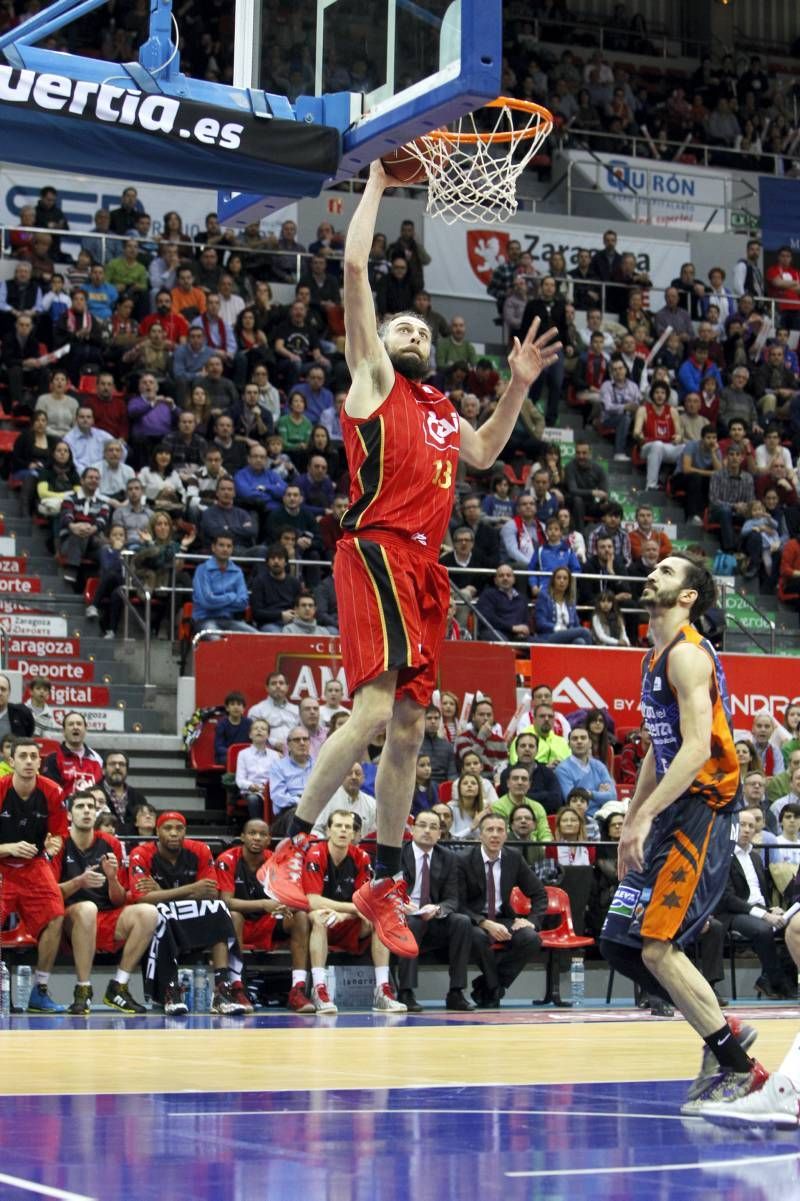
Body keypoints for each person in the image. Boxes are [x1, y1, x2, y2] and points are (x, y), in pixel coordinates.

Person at [263, 158, 560, 956]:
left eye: (423, 331)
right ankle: (289, 847)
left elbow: (491, 452)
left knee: (408, 728)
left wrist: (518, 382)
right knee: (370, 708)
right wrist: (374, 188)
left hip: (425, 571)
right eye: (405, 329)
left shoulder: (439, 411)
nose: (415, 334)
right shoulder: (373, 379)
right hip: (377, 550)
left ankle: (384, 878)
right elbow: (356, 267)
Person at [598, 553, 764, 1118]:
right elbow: (657, 747)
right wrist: (633, 816)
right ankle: (727, 1029)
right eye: (654, 568)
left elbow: (695, 750)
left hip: (702, 809)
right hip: (671, 808)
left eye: (667, 572)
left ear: (688, 595)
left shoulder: (689, 655)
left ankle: (742, 1070)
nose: (652, 574)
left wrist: (646, 817)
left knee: (656, 945)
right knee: (618, 941)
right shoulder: (653, 658)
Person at [129, 811, 251, 1014]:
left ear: (185, 831)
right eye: (168, 828)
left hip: (189, 917)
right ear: (157, 831)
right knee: (159, 913)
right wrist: (192, 889)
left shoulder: (200, 850)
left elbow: (210, 894)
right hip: (160, 919)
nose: (174, 833)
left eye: (179, 828)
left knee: (219, 909)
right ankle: (170, 989)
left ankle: (222, 989)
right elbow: (142, 898)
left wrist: (161, 892)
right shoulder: (141, 854)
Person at [54, 790, 157, 1015]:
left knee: (149, 913)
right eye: (80, 807)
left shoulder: (110, 843)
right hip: (69, 919)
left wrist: (112, 878)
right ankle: (83, 990)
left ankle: (118, 987)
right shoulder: (59, 843)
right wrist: (79, 882)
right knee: (88, 908)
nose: (87, 811)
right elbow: (50, 894)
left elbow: (119, 898)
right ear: (69, 815)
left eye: (91, 807)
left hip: (105, 916)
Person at [300, 811, 407, 1013]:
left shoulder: (362, 857)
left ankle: (383, 991)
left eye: (348, 827)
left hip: (349, 922)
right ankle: (319, 989)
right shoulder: (315, 854)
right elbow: (313, 900)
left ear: (354, 834)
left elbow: (366, 903)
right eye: (338, 826)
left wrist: (346, 915)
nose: (343, 830)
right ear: (328, 830)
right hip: (323, 920)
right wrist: (351, 910)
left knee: (379, 920)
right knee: (319, 917)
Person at [0, 739, 68, 1013]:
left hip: (34, 866)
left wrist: (54, 846)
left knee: (55, 915)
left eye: (33, 756)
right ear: (11, 761)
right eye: (23, 756)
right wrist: (7, 848)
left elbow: (59, 836)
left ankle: (39, 991)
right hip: (2, 864)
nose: (29, 761)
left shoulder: (52, 791)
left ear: (40, 762)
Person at [215, 818, 310, 1010]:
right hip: (239, 924)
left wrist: (287, 905)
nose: (257, 838)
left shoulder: (276, 861)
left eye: (263, 834)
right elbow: (225, 901)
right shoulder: (227, 860)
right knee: (234, 915)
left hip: (269, 922)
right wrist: (263, 904)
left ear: (269, 840)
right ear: (242, 836)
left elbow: (296, 896)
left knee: (300, 917)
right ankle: (236, 986)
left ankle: (297, 989)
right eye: (252, 833)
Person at [457, 812, 547, 1007]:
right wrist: (484, 922)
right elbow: (456, 902)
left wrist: (531, 920)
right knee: (478, 937)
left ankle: (488, 986)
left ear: (506, 835)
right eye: (490, 830)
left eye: (500, 830)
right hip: (473, 920)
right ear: (480, 835)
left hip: (503, 918)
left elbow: (539, 893)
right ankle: (493, 989)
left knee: (531, 938)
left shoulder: (513, 857)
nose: (495, 835)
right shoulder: (463, 859)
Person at [396, 809, 474, 1011]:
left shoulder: (448, 857)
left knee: (462, 922)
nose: (427, 831)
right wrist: (400, 905)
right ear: (412, 830)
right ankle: (405, 992)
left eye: (433, 827)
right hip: (403, 917)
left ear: (440, 834)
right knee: (412, 923)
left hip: (433, 918)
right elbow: (384, 889)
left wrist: (438, 908)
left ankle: (456, 992)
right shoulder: (398, 853)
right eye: (422, 825)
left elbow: (452, 898)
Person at [715, 808, 793, 1000]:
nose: (747, 829)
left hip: (760, 910)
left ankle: (777, 979)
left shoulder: (756, 857)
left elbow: (760, 893)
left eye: (752, 826)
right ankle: (776, 981)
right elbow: (728, 899)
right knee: (763, 929)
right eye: (743, 825)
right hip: (733, 913)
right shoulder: (722, 856)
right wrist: (764, 914)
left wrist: (770, 908)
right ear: (733, 827)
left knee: (793, 928)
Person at [191, 534, 256, 635]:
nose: (225, 549)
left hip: (229, 620)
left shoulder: (237, 572)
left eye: (229, 546)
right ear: (213, 547)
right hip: (204, 620)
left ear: (232, 549)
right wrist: (231, 596)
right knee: (217, 642)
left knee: (256, 636)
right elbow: (206, 602)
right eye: (221, 545)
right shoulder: (202, 570)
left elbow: (243, 603)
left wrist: (216, 600)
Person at [555, 726, 618, 814]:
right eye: (575, 739)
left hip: (604, 815)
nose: (579, 741)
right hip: (580, 818)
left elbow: (613, 796)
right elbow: (573, 802)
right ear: (569, 744)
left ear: (590, 743)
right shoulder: (562, 769)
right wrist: (600, 795)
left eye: (583, 738)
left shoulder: (599, 766)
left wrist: (591, 794)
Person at [42, 712, 104, 793]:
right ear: (63, 731)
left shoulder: (96, 758)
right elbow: (51, 793)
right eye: (71, 724)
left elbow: (101, 790)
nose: (75, 727)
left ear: (85, 729)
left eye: (79, 724)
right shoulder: (53, 759)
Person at [247, 672, 300, 752]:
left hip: (295, 752)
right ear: (267, 688)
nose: (278, 686)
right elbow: (254, 735)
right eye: (273, 683)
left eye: (281, 683)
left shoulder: (297, 710)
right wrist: (274, 743)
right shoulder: (257, 710)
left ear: (287, 687)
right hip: (267, 752)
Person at [99, 750, 149, 830]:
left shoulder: (138, 797)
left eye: (122, 764)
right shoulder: (93, 795)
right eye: (112, 764)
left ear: (127, 770)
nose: (117, 767)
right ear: (103, 770)